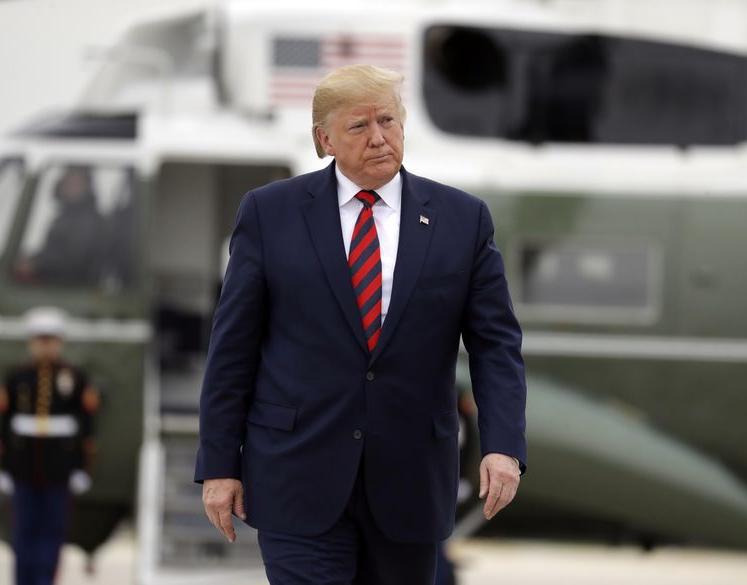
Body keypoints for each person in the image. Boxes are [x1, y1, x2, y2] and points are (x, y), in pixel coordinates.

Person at [195, 64, 527, 585]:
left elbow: (496, 346)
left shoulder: (463, 220)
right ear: (322, 140)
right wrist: (218, 464)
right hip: (296, 475)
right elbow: (232, 349)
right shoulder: (269, 214)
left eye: (388, 121)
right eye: (359, 126)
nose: (379, 138)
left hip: (410, 481)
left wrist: (503, 445)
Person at [0, 306, 100, 585]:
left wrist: (81, 467)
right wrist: (2, 467)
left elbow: (86, 426)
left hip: (59, 468)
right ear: (31, 342)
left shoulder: (74, 377)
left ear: (60, 342)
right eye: (40, 340)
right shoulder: (16, 377)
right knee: (23, 532)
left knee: (52, 533)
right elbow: (2, 424)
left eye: (50, 340)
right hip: (23, 467)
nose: (45, 346)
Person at [13, 165, 103, 286]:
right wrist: (30, 259)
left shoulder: (88, 219)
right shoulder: (67, 215)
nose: (70, 187)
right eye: (68, 182)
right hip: (54, 279)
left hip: (66, 285)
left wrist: (35, 263)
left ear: (86, 187)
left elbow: (72, 259)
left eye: (76, 183)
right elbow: (53, 250)